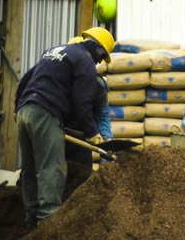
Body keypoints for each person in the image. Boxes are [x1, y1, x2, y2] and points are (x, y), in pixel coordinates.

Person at [14, 27, 114, 228]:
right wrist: (92, 133)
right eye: (103, 57)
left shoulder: (55, 51)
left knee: (30, 170)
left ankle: (30, 224)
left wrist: (18, 107)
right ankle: (48, 226)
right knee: (52, 170)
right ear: (99, 48)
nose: (101, 62)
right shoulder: (85, 61)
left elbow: (26, 79)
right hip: (46, 112)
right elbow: (82, 101)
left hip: (26, 110)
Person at [64, 36, 113, 165]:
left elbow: (102, 115)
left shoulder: (97, 85)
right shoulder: (57, 80)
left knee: (81, 176)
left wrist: (107, 141)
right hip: (57, 134)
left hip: (82, 137)